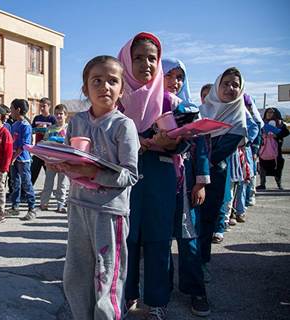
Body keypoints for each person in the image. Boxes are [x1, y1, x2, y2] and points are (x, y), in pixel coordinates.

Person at [57, 55, 139, 320]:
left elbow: (130, 175)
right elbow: (71, 158)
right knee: (76, 273)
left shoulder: (123, 125)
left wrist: (96, 172)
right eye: (97, 80)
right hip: (79, 206)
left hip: (109, 212)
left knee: (107, 275)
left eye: (112, 81)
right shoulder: (77, 122)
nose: (105, 86)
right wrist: (59, 163)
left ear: (121, 90)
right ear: (85, 89)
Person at [119, 32, 184, 320]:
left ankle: (157, 302)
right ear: (125, 60)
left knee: (158, 240)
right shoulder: (117, 98)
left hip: (160, 176)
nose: (146, 64)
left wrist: (173, 143)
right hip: (125, 181)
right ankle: (126, 296)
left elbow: (185, 139)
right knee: (126, 240)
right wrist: (137, 143)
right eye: (138, 58)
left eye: (152, 58)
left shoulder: (170, 101)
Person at [162, 58, 211, 317]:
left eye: (180, 76)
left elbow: (201, 146)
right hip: (158, 182)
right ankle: (162, 289)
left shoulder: (191, 109)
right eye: (169, 75)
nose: (175, 81)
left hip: (186, 184)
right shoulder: (151, 106)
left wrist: (201, 182)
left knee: (188, 237)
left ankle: (196, 290)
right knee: (159, 241)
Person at [198, 67, 248, 281]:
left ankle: (201, 263)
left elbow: (218, 153)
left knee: (207, 219)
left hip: (214, 176)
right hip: (189, 174)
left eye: (236, 85)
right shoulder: (201, 110)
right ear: (217, 86)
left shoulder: (238, 120)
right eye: (226, 83)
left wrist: (199, 165)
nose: (230, 88)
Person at [7, 99, 38, 220]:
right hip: (13, 159)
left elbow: (24, 145)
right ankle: (15, 207)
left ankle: (32, 208)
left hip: (23, 160)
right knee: (15, 183)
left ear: (18, 110)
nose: (10, 111)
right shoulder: (14, 125)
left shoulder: (26, 126)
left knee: (26, 183)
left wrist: (13, 158)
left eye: (11, 108)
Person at [39, 104, 70, 213]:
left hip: (64, 161)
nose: (58, 116)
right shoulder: (50, 129)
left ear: (65, 115)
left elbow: (72, 144)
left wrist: (61, 140)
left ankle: (60, 204)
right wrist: (46, 159)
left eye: (61, 114)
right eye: (56, 114)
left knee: (62, 184)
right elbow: (45, 144)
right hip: (51, 160)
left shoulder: (69, 128)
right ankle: (44, 203)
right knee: (48, 183)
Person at [257, 107, 289, 190]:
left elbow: (286, 132)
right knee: (262, 166)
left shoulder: (280, 123)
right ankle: (262, 184)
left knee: (278, 166)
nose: (269, 114)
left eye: (271, 112)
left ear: (275, 114)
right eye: (268, 112)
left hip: (276, 150)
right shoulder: (262, 123)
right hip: (263, 149)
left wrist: (277, 135)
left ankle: (279, 184)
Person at [0, 104, 13, 225]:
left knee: (0, 189)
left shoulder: (5, 133)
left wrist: (4, 169)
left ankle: (0, 212)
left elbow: (8, 153)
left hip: (0, 168)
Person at [31, 97, 57, 185]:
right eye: (40, 106)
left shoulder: (53, 119)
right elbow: (31, 130)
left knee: (49, 174)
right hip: (38, 149)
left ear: (49, 106)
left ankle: (49, 192)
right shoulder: (36, 118)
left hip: (48, 151)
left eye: (44, 106)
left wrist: (47, 130)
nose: (41, 108)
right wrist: (36, 129)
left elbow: (56, 133)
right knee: (33, 172)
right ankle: (28, 194)